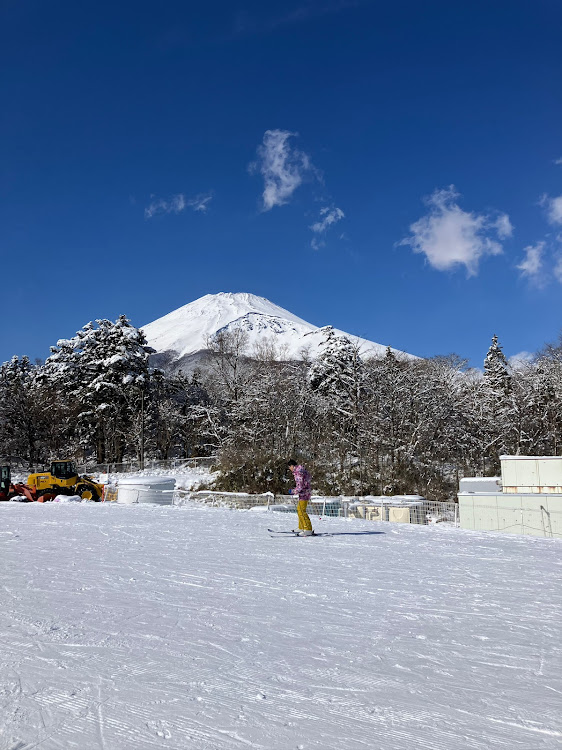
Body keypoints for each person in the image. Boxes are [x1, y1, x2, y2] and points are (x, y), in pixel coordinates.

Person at [288, 459, 314, 536]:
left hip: (304, 493)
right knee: (299, 509)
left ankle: (308, 529)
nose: (289, 469)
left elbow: (300, 485)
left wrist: (293, 491)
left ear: (292, 466)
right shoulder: (300, 471)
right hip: (304, 493)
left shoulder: (298, 472)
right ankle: (301, 526)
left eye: (289, 467)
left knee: (301, 510)